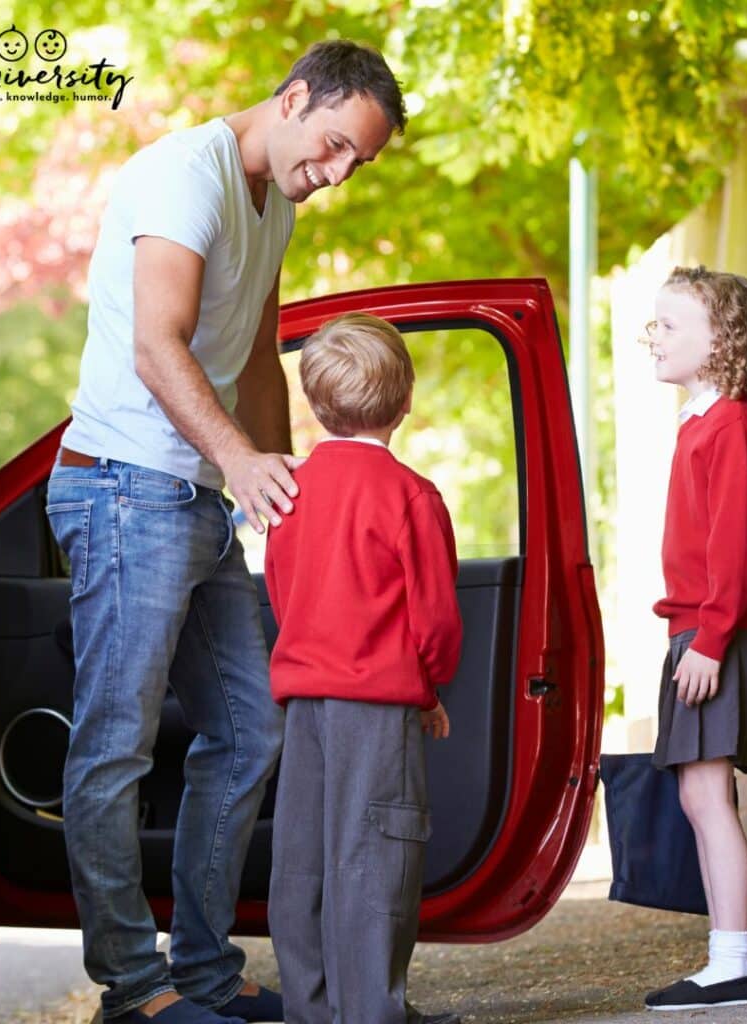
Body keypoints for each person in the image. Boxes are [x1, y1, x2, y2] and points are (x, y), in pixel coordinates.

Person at [45, 42, 407, 1024]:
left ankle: (203, 973)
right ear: (292, 99)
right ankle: (136, 989)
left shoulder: (275, 204)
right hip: (123, 489)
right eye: (332, 145)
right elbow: (157, 343)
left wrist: (302, 499)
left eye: (355, 164)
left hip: (195, 500)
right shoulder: (181, 175)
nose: (335, 174)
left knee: (251, 731)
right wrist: (240, 462)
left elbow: (255, 358)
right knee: (113, 748)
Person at [263, 313, 464, 1024]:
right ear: (405, 401)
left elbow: (282, 593)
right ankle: (371, 1012)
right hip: (378, 706)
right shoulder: (411, 496)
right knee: (375, 858)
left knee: (304, 861)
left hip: (305, 702)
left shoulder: (288, 490)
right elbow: (434, 617)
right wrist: (428, 687)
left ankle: (312, 1011)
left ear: (316, 407)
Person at [641, 266, 747, 1011]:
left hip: (718, 632)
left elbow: (741, 541)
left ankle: (732, 961)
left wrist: (707, 639)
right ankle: (725, 957)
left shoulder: (731, 424)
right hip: (705, 629)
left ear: (721, 341)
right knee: (701, 795)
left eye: (669, 323)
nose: (654, 334)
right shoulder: (703, 422)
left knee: (708, 797)